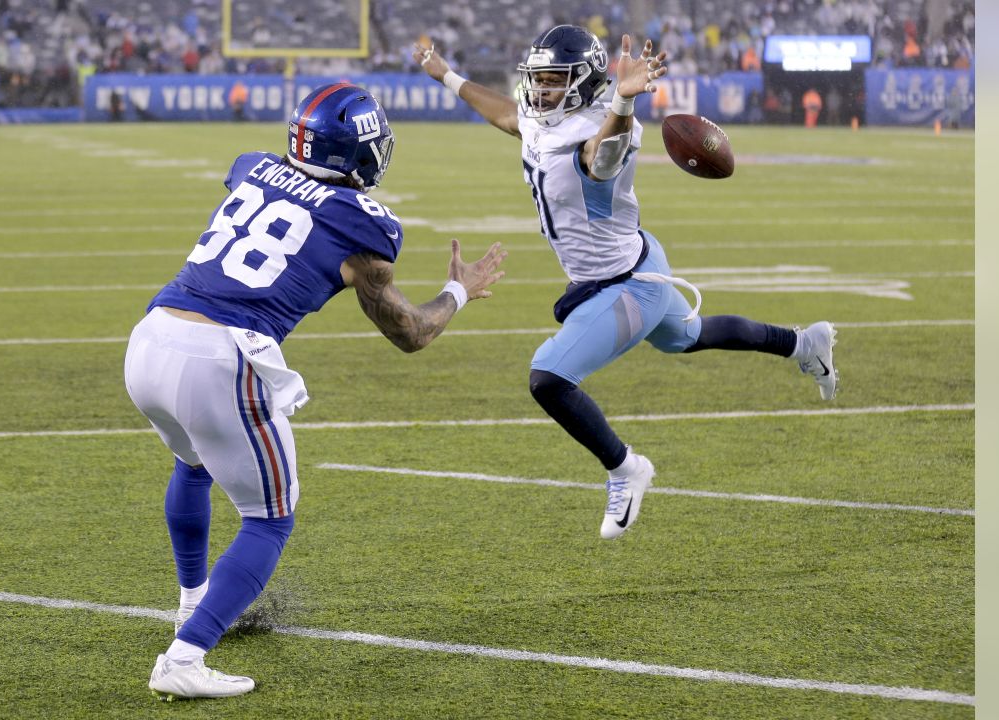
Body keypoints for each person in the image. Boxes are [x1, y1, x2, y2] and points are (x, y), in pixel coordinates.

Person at [124, 83, 507, 700]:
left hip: (151, 336)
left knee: (192, 463)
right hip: (222, 355)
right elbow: (409, 333)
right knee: (270, 518)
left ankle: (190, 604)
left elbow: (257, 188)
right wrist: (458, 291)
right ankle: (185, 656)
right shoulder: (367, 226)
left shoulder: (253, 167)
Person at [413, 26, 836, 541]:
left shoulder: (605, 130)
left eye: (553, 80)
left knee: (548, 377)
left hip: (626, 285)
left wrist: (623, 99)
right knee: (690, 335)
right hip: (639, 259)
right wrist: (445, 74)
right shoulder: (547, 118)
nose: (540, 91)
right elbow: (505, 111)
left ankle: (625, 468)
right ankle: (803, 343)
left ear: (585, 83)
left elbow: (601, 157)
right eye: (538, 79)